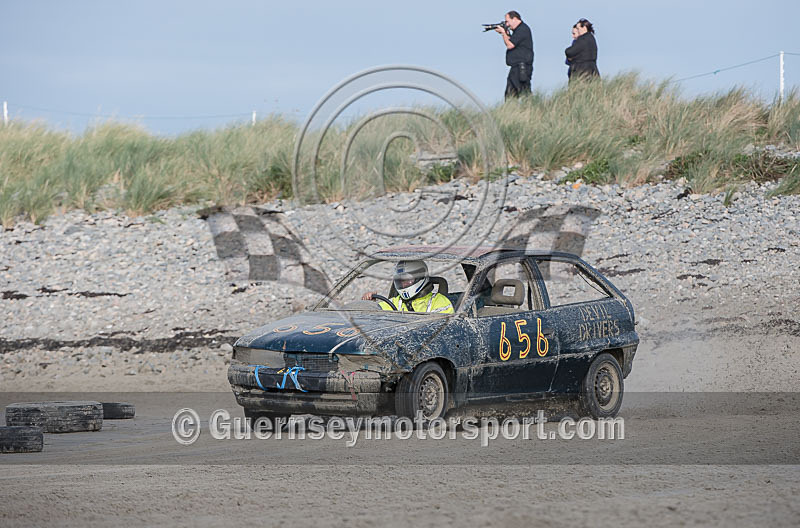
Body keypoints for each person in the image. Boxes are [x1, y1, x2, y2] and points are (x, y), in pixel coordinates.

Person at [362, 260, 454, 313]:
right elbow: (375, 315)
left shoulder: (439, 302)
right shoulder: (395, 302)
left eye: (407, 280)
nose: (403, 284)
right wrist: (369, 303)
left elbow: (443, 332)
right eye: (400, 281)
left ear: (420, 277)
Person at [496, 10, 534, 99]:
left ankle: (531, 109)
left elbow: (510, 45)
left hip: (521, 68)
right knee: (509, 94)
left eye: (507, 21)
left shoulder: (523, 29)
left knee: (524, 93)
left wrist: (503, 33)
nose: (507, 24)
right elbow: (512, 41)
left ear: (515, 19)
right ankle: (510, 111)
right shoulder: (518, 31)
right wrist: (506, 33)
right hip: (515, 67)